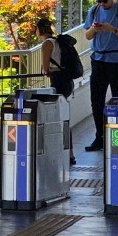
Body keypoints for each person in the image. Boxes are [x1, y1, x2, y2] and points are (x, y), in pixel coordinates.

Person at [83, 0, 118, 152]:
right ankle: (99, 135)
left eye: (104, 1)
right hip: (98, 60)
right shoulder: (94, 11)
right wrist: (95, 29)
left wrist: (111, 29)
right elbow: (87, 36)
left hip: (117, 61)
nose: (101, 4)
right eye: (98, 1)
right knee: (96, 100)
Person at [36, 16, 77, 165]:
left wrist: (47, 70)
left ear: (39, 29)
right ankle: (69, 153)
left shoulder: (47, 44)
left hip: (58, 81)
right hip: (67, 81)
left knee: (58, 117)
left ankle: (65, 152)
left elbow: (45, 69)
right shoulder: (58, 41)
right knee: (64, 117)